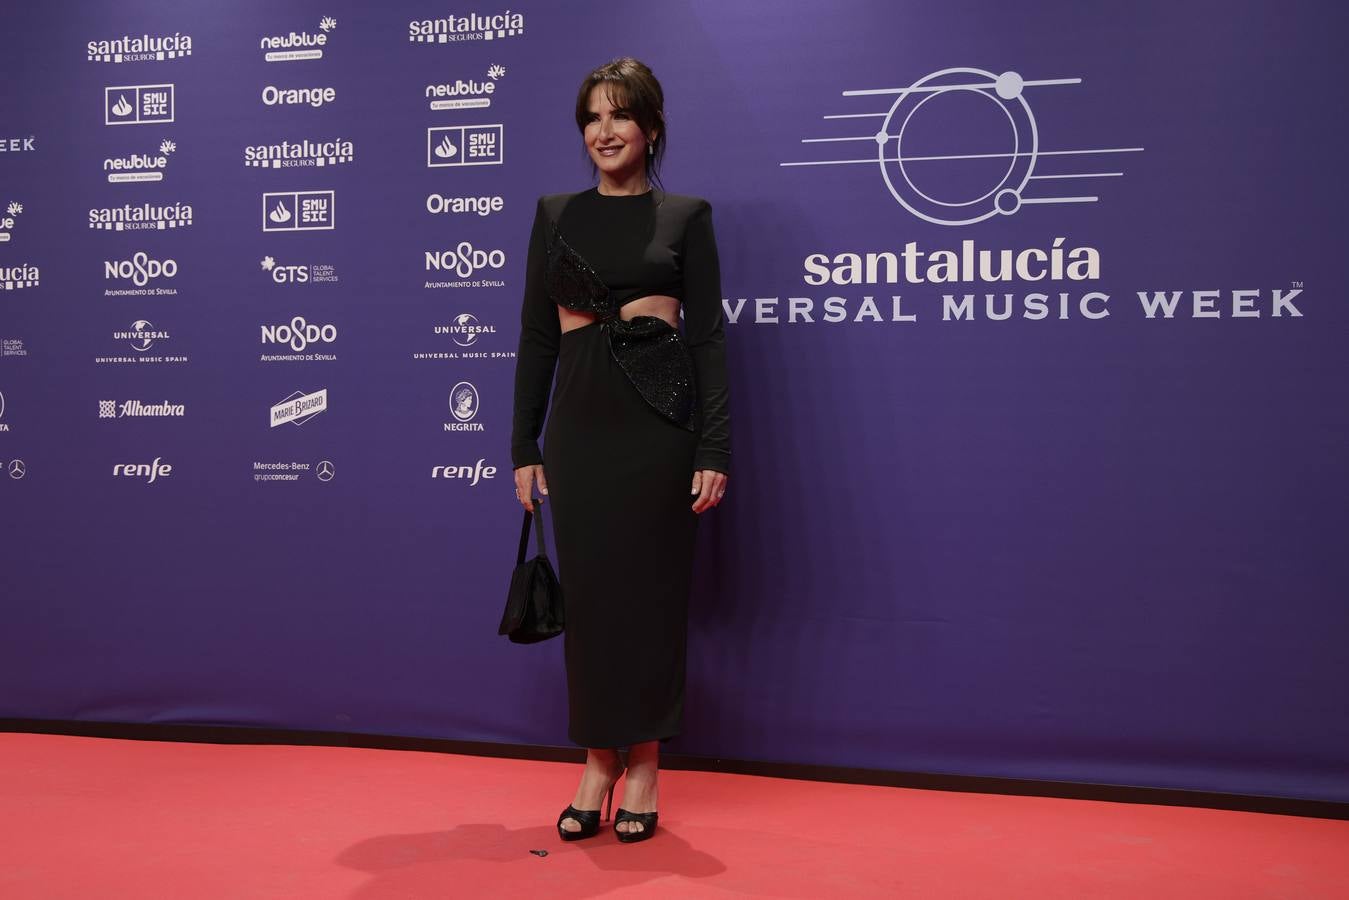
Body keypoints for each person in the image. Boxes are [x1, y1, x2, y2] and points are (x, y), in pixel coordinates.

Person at [510, 57, 731, 844]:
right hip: (578, 427)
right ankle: (597, 760)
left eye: (619, 116)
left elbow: (704, 338)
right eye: (591, 118)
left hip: (658, 428)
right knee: (597, 602)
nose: (603, 131)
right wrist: (522, 444)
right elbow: (538, 336)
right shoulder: (554, 213)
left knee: (652, 600)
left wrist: (712, 444)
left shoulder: (686, 217)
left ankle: (643, 766)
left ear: (651, 127)